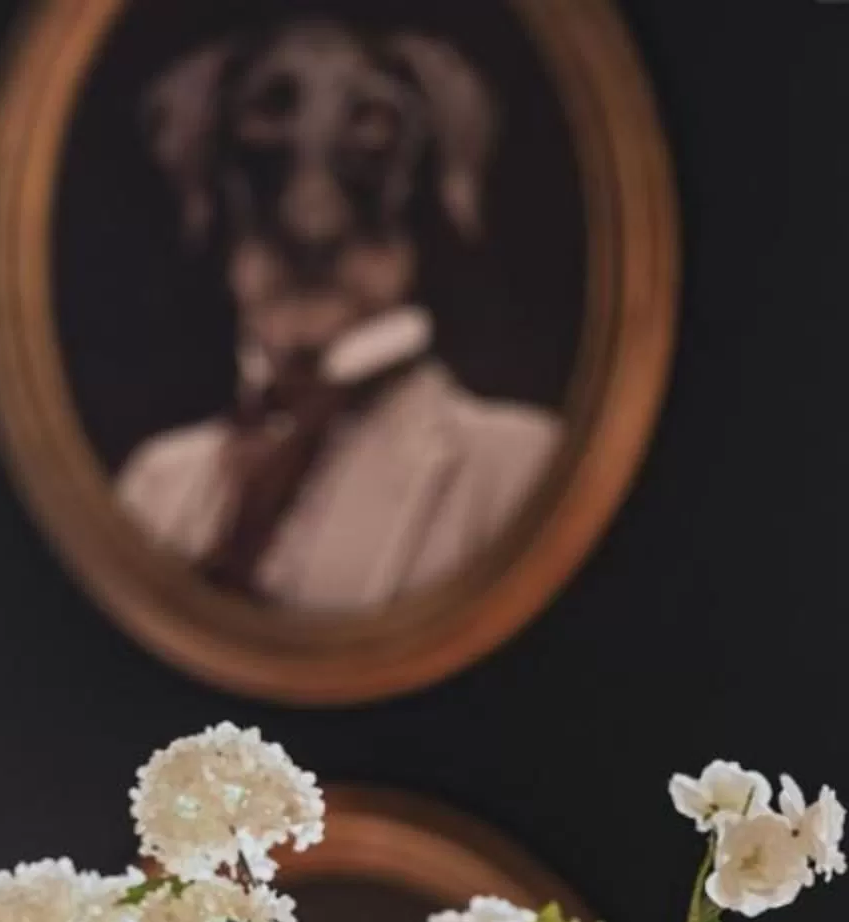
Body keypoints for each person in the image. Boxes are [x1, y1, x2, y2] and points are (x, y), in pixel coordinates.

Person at [114, 18, 562, 611]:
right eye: (266, 120)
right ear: (209, 168)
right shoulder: (155, 490)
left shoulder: (521, 473)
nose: (312, 219)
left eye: (372, 125)